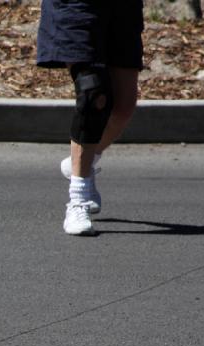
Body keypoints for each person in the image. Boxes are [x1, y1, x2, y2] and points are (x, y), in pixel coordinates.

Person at [36, 0, 144, 235]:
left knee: (123, 107)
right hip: (76, 5)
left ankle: (82, 161)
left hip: (123, 7)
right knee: (93, 93)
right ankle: (78, 200)